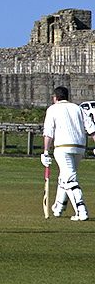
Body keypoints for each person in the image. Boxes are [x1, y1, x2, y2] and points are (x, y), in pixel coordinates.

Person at [42, 86, 95, 221]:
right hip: (79, 147)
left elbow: (48, 133)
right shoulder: (78, 108)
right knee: (65, 176)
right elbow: (91, 128)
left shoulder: (52, 109)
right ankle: (59, 207)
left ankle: (81, 210)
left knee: (69, 179)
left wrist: (45, 152)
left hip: (62, 147)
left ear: (55, 97)